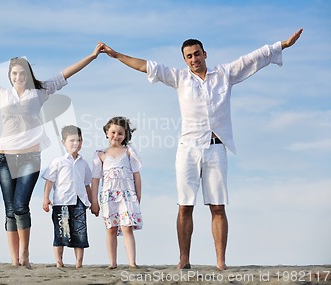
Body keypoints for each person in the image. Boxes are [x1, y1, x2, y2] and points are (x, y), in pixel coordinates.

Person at [98, 29, 303, 271]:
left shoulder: (224, 74)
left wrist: (283, 45)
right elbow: (145, 66)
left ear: (205, 54)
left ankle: (220, 261)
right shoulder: (179, 78)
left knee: (217, 206)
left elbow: (252, 59)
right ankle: (184, 258)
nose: (194, 59)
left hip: (216, 148)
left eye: (197, 54)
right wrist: (116, 55)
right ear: (184, 60)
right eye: (188, 56)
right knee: (185, 205)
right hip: (188, 149)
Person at [0, 43, 103, 269]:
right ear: (10, 76)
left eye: (22, 73)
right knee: (10, 210)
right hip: (4, 158)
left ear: (28, 74)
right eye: (14, 73)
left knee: (21, 206)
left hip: (30, 157)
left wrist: (91, 56)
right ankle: (14, 260)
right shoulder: (1, 93)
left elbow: (66, 72)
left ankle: (25, 255)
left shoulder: (40, 92)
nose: (18, 76)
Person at [91, 116, 143, 269]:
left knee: (127, 227)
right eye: (113, 132)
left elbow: (137, 176)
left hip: (127, 195)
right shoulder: (100, 154)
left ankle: (132, 262)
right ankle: (112, 263)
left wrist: (138, 196)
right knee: (111, 229)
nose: (116, 136)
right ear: (107, 132)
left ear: (125, 135)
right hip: (109, 196)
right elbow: (95, 179)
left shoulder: (129, 152)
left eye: (120, 133)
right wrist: (94, 201)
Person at [42, 125, 92, 269]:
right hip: (61, 202)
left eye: (79, 140)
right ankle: (59, 262)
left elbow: (87, 183)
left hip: (80, 202)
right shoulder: (58, 161)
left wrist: (93, 202)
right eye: (72, 140)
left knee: (80, 232)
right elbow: (49, 181)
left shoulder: (83, 163)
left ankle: (79, 263)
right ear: (63, 142)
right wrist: (46, 199)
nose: (76, 144)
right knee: (60, 232)